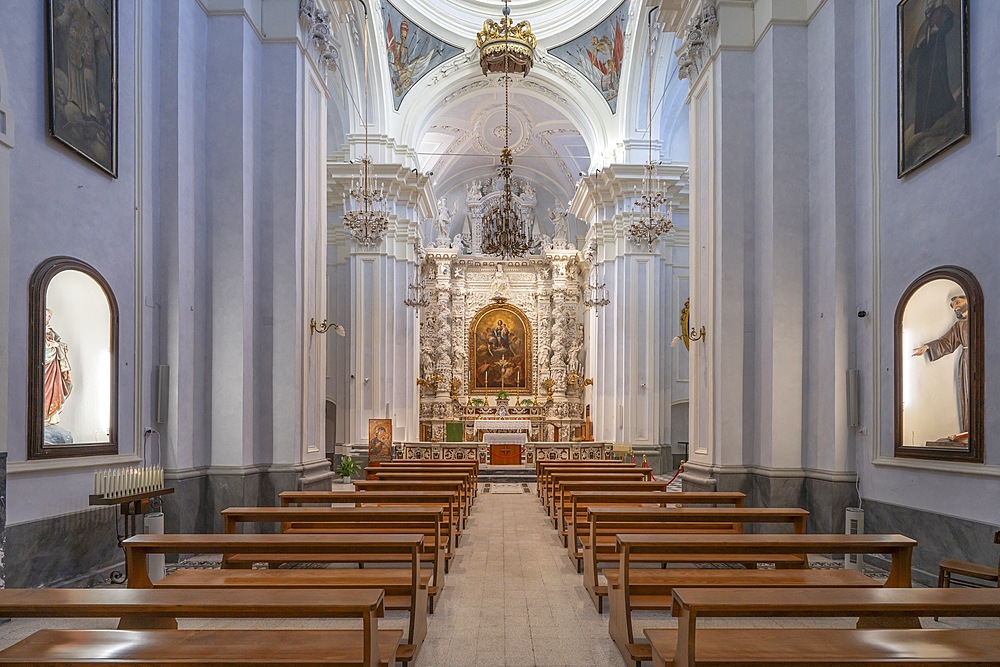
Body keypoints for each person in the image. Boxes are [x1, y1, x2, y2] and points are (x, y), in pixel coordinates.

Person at [912, 292, 969, 437]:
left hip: (985, 358)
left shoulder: (983, 319)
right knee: (968, 395)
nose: (955, 307)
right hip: (967, 363)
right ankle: (970, 433)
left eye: (957, 303)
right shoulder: (959, 326)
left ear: (967, 301)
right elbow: (946, 342)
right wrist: (927, 347)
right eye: (953, 305)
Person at [908, 0, 958, 135]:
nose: (928, 5)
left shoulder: (943, 10)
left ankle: (941, 111)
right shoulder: (924, 24)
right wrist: (920, 44)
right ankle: (924, 124)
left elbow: (949, 23)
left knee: (938, 82)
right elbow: (913, 54)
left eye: (930, 3)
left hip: (937, 56)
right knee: (924, 91)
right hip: (924, 65)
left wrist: (938, 31)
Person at [43, 308, 73, 426]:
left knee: (52, 389)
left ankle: (48, 418)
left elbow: (57, 343)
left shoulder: (51, 331)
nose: (47, 318)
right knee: (42, 390)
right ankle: (40, 416)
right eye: (45, 315)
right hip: (42, 367)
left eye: (49, 317)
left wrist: (58, 345)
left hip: (53, 367)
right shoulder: (35, 329)